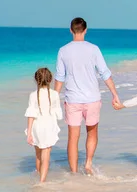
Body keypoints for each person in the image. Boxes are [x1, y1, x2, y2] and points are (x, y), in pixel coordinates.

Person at [54, 17, 120, 174]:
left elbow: (59, 77)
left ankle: (74, 172)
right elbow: (105, 73)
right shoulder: (94, 49)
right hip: (92, 99)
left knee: (73, 137)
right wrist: (114, 94)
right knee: (92, 132)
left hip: (72, 100)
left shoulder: (63, 50)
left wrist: (54, 98)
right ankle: (88, 164)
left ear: (71, 30)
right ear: (85, 30)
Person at [25, 67, 63, 183]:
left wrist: (29, 133)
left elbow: (31, 115)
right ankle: (42, 181)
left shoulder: (33, 95)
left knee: (38, 154)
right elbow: (58, 114)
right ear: (50, 80)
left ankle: (38, 174)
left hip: (37, 127)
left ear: (36, 80)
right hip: (49, 126)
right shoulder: (55, 95)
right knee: (46, 155)